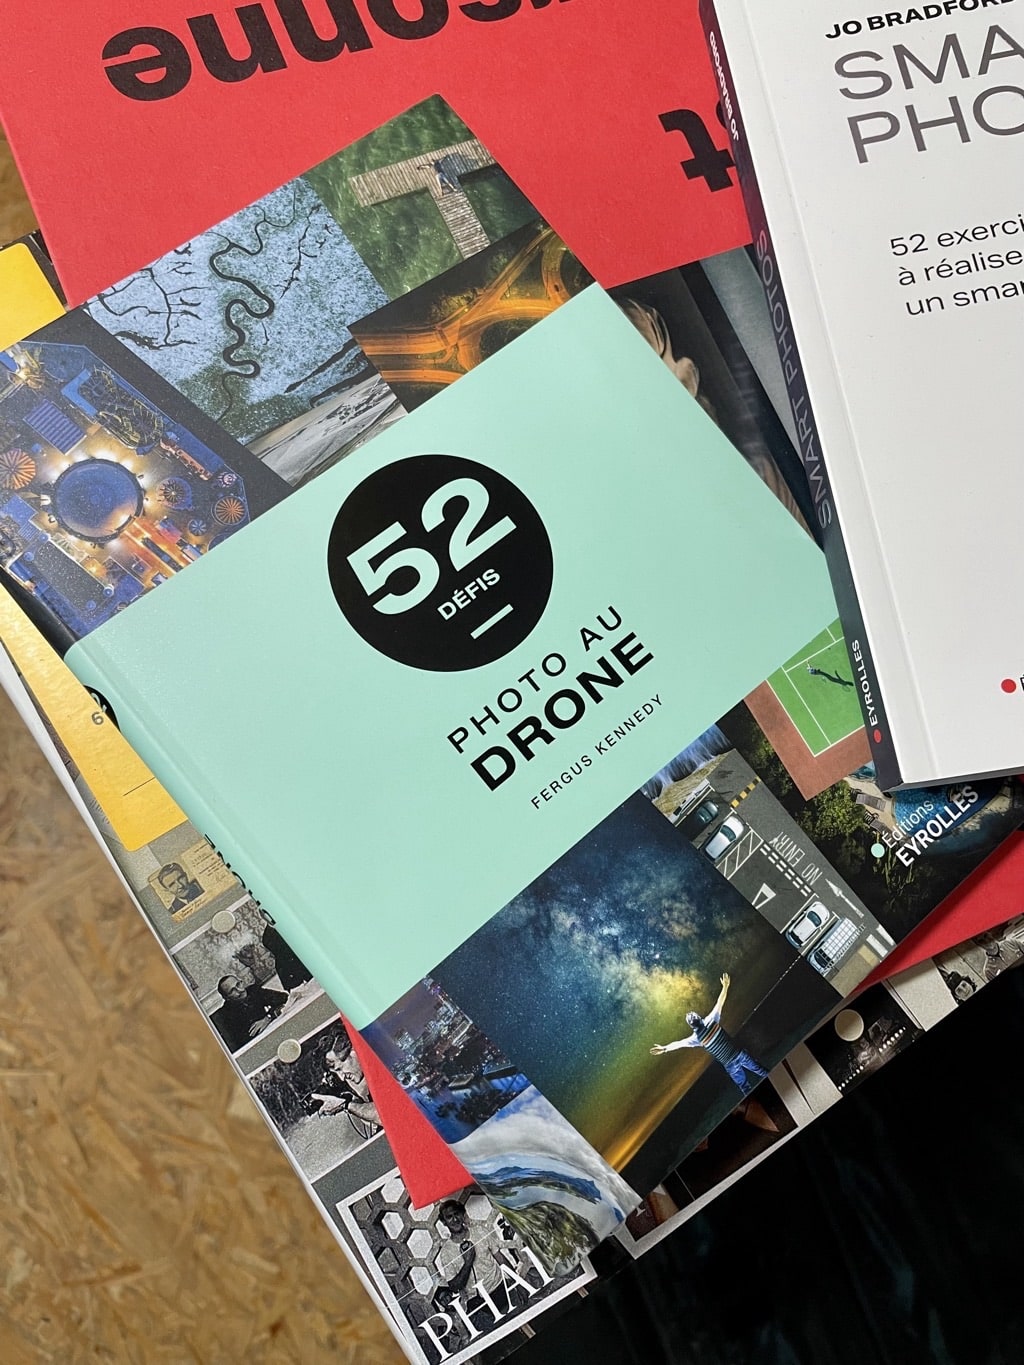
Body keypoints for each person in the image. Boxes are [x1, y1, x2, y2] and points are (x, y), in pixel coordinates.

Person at [650, 972, 768, 1096]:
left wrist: (665, 1048)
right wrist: (725, 987)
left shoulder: (696, 1038)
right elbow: (720, 1002)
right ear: (699, 1018)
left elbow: (679, 1044)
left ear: (691, 1026)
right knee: (761, 1072)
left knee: (746, 1088)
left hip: (730, 1064)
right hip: (738, 1054)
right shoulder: (711, 1020)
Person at [433, 1201, 515, 1314]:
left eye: (457, 1214)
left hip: (499, 1287)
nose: (455, 1219)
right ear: (444, 1222)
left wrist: (517, 1283)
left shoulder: (480, 1231)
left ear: (462, 1214)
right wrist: (467, 1263)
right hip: (477, 1303)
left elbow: (500, 1258)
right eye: (449, 1217)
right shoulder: (446, 1253)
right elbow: (454, 1286)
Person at [210, 974, 288, 1051]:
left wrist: (268, 1018)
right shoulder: (226, 1014)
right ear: (227, 998)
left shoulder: (253, 991)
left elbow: (284, 998)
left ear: (241, 982)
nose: (240, 990)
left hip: (271, 1031)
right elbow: (240, 1043)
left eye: (238, 984)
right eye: (232, 990)